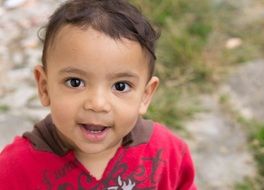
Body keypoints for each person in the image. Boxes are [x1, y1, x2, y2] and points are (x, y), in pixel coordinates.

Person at [0, 0, 197, 189]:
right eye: (75, 82)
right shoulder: (14, 169)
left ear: (145, 95)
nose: (97, 103)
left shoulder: (165, 152)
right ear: (44, 87)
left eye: (120, 86)